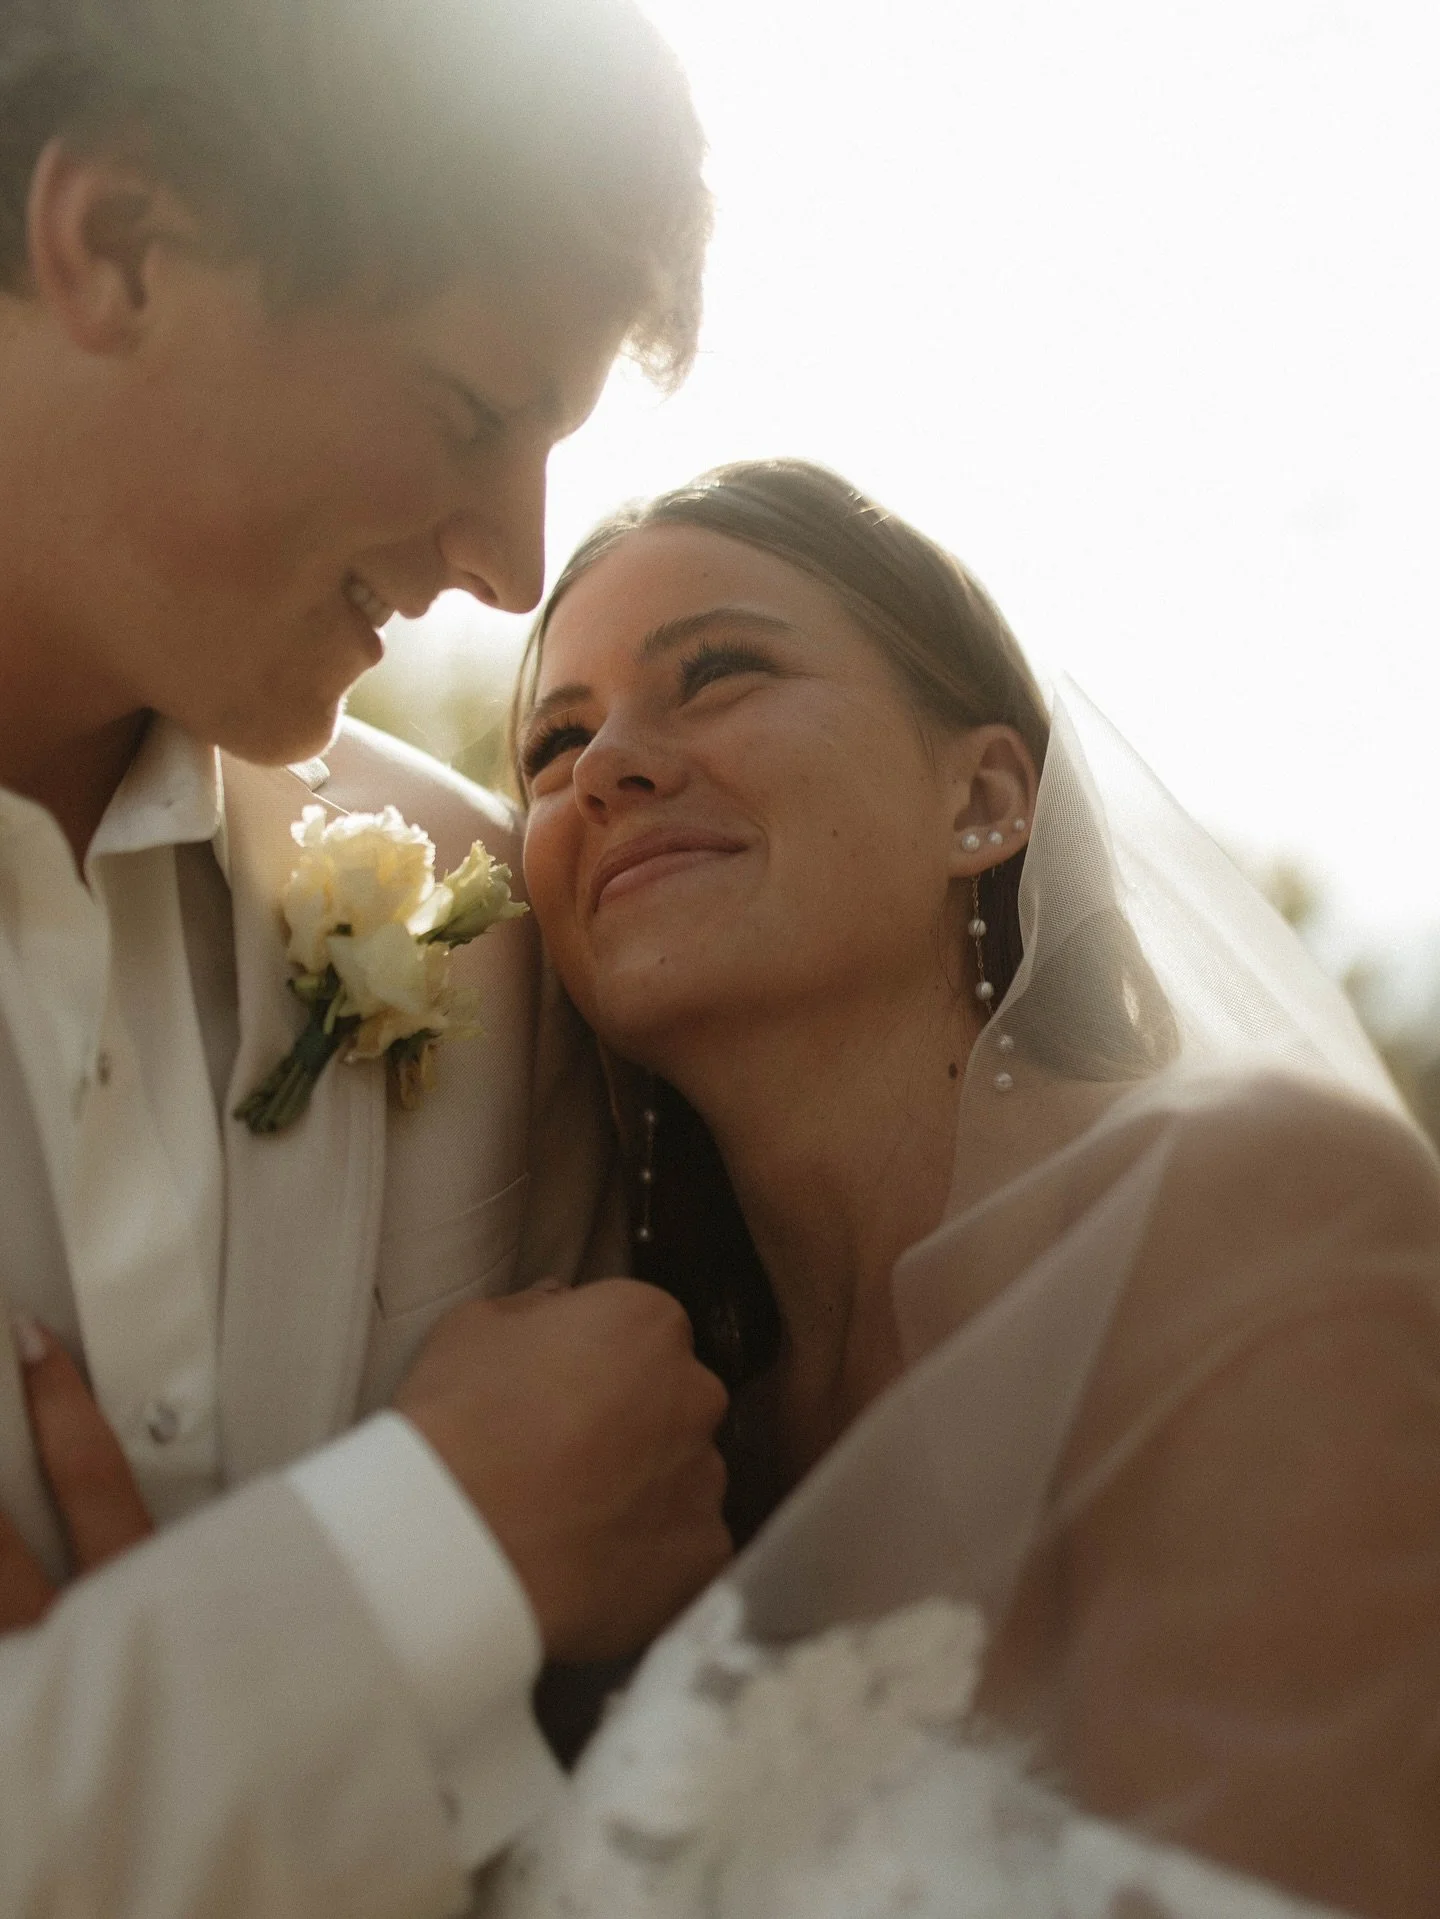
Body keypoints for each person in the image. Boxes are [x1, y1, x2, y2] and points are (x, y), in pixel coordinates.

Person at [0, 4, 731, 1915]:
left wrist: (86, 1725)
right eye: (472, 412)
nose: (508, 560)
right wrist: (436, 1545)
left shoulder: (487, 915)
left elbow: (599, 1753)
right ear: (123, 247)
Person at [489, 459, 1440, 1919]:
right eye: (555, 741)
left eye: (718, 671)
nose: (606, 762)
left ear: (985, 798)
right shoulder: (653, 1453)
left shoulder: (1249, 1214)